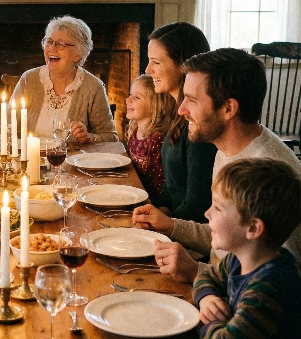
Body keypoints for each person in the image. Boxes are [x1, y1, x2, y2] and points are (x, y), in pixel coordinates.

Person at [134, 48, 301, 283]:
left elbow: (283, 284)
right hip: (214, 287)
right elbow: (228, 234)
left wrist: (196, 272)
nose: (181, 110)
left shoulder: (269, 176)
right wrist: (171, 226)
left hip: (236, 311)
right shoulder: (226, 149)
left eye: (192, 100)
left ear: (229, 108)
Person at [193, 158, 301, 339]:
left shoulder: (268, 288)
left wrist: (201, 320)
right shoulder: (240, 261)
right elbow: (206, 276)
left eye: (217, 208)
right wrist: (206, 298)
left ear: (253, 228)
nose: (207, 213)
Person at [134, 22, 215, 222]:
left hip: (189, 236)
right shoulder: (173, 112)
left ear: (183, 65)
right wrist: (156, 210)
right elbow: (172, 188)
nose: (148, 69)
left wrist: (162, 223)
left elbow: (198, 206)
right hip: (174, 222)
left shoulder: (197, 124)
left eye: (156, 62)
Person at [11, 15, 118, 144]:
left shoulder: (93, 87)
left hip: (71, 162)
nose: (51, 48)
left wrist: (88, 137)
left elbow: (111, 138)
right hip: (30, 161)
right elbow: (7, 126)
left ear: (78, 54)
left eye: (60, 44)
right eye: (49, 42)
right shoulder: (28, 79)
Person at [125, 74, 174, 195]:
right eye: (130, 95)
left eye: (137, 97)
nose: (128, 100)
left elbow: (160, 182)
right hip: (132, 190)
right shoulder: (134, 131)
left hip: (148, 199)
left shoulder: (156, 139)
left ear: (154, 106)